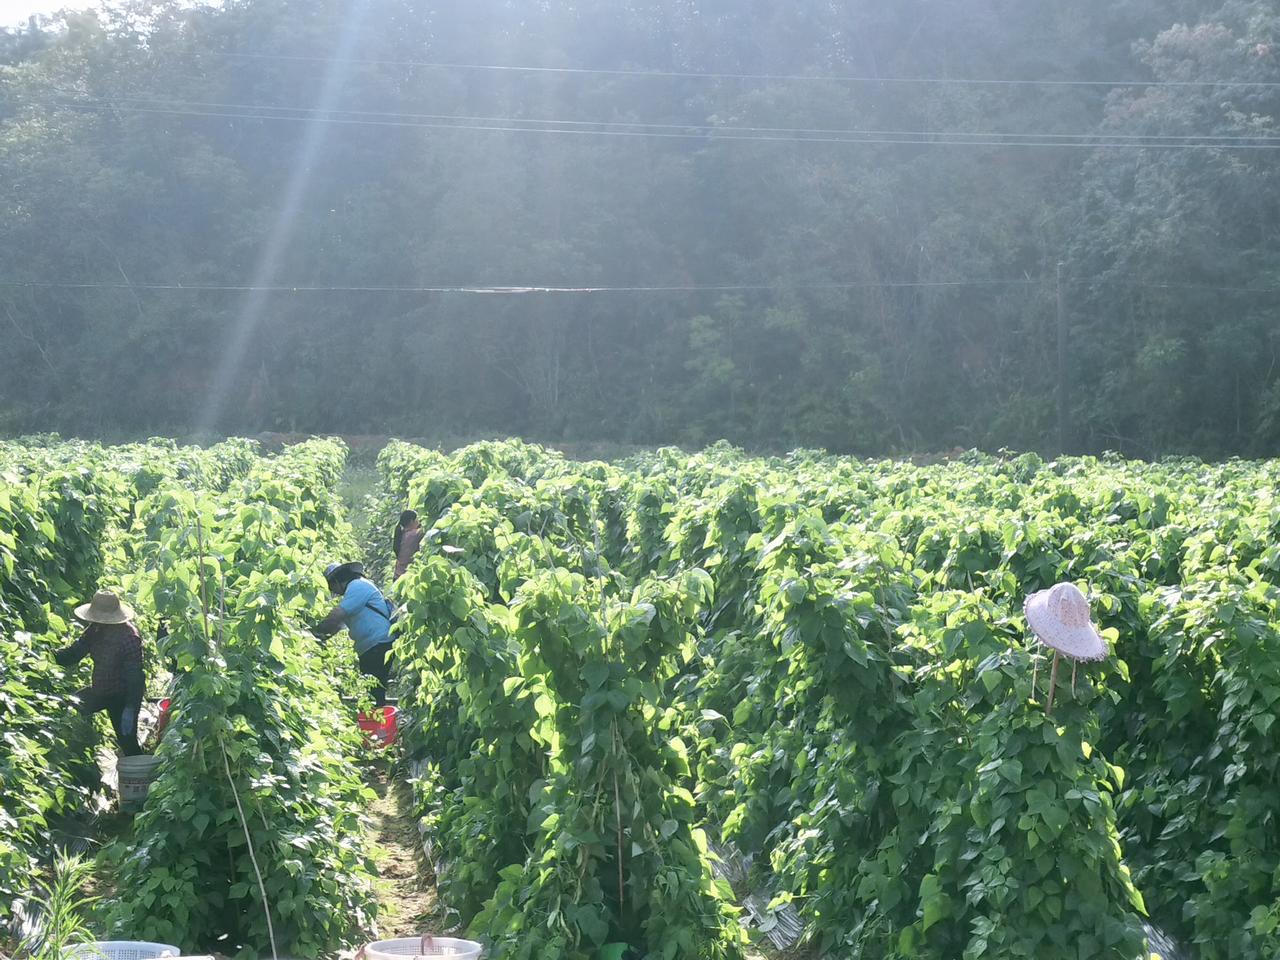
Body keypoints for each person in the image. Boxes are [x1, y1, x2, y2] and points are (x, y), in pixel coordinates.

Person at [55, 591, 145, 756]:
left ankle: (141, 775)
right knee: (70, 707)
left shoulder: (129, 637)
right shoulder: (95, 630)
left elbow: (135, 678)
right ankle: (79, 747)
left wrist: (131, 707)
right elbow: (75, 653)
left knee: (128, 742)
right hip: (101, 690)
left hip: (123, 696)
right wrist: (50, 656)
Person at [316, 561, 395, 706]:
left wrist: (315, 632)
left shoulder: (357, 586)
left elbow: (336, 616)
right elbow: (338, 625)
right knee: (372, 689)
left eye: (331, 586)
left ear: (337, 581)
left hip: (378, 643)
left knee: (374, 690)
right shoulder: (353, 593)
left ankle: (379, 725)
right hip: (372, 646)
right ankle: (377, 723)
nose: (333, 590)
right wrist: (319, 639)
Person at [393, 509, 425, 579]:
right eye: (417, 520)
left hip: (397, 575)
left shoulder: (401, 534)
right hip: (406, 577)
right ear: (411, 521)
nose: (419, 522)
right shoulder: (415, 534)